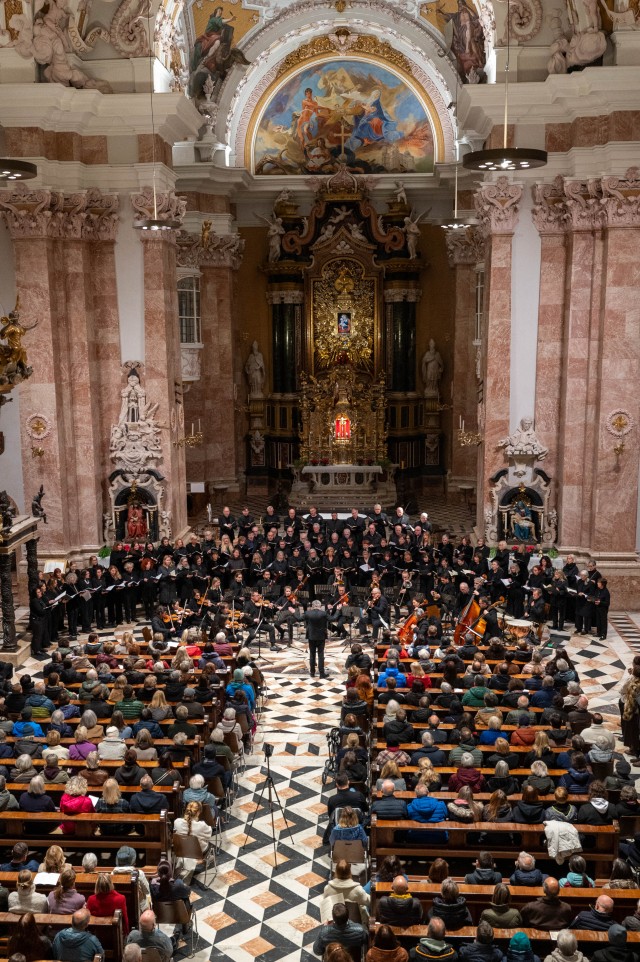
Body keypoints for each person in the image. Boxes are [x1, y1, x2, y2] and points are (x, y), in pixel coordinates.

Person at [321, 858, 370, 924]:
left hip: (335, 922)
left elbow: (327, 907)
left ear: (336, 871)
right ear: (349, 871)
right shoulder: (358, 890)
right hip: (356, 922)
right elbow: (369, 902)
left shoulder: (327, 889)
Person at [304, 599, 329, 678]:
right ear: (320, 606)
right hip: (321, 637)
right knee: (321, 655)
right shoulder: (324, 613)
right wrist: (338, 610)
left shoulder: (308, 613)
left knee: (312, 655)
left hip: (311, 637)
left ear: (312, 606)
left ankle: (312, 673)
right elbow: (333, 618)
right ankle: (321, 674)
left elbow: (298, 618)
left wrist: (294, 612)